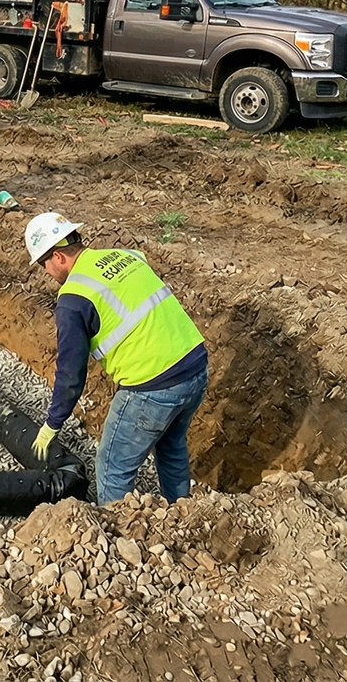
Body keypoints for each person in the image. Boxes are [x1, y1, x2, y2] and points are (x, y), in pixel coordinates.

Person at [25, 212, 210, 504]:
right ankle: (181, 515)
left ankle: (117, 535)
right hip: (195, 365)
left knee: (113, 467)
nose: (46, 272)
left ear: (58, 256)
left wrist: (53, 423)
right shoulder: (127, 256)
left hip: (153, 386)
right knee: (171, 446)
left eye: (43, 264)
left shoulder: (73, 299)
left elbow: (71, 372)